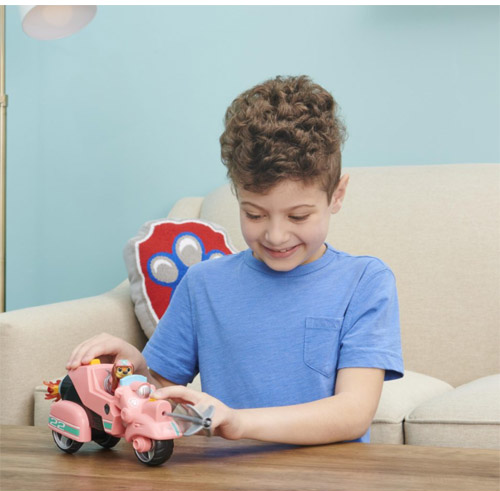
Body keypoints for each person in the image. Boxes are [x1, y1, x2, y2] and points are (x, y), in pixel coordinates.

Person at [66, 75, 403, 445]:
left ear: (337, 195)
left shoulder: (364, 281)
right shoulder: (203, 284)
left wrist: (238, 422)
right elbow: (161, 394)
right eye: (255, 214)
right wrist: (135, 367)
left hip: (328, 474)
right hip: (224, 473)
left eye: (298, 216)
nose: (276, 235)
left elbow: (352, 413)